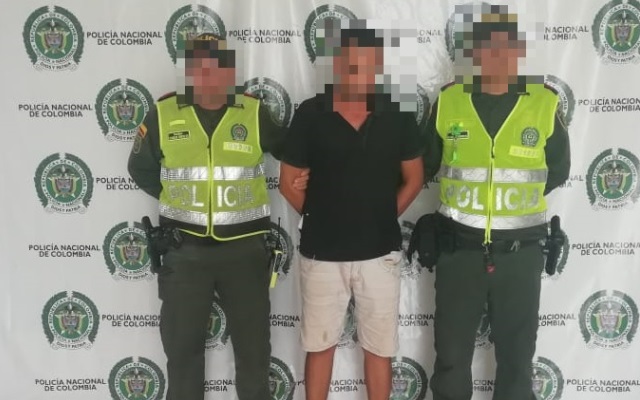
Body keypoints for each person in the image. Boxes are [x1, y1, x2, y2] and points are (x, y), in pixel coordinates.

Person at [422, 7, 571, 400]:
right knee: (451, 361)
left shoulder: (544, 103)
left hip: (520, 257)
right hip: (458, 253)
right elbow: (424, 164)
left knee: (517, 362)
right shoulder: (449, 101)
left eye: (505, 46)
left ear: (518, 50)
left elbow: (557, 170)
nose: (496, 55)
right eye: (486, 46)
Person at [127, 33, 287, 400]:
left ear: (230, 69)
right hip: (184, 252)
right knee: (182, 357)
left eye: (216, 64)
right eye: (198, 64)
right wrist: (179, 200)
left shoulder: (253, 112)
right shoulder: (163, 113)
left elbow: (293, 154)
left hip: (244, 253)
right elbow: (141, 169)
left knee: (254, 356)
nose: (207, 72)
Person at [279, 23, 424, 400]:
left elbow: (414, 178)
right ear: (337, 64)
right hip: (321, 253)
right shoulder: (311, 113)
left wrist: (380, 216)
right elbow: (288, 182)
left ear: (379, 65)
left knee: (379, 348)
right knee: (319, 345)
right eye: (351, 62)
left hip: (380, 253)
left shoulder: (398, 113)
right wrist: (322, 217)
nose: (359, 71)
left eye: (368, 63)